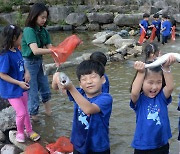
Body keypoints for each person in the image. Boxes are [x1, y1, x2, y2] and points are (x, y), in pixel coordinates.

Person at [52, 60, 113, 154]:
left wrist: (71, 87)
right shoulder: (79, 92)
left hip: (98, 146)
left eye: (93, 77)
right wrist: (57, 76)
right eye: (84, 79)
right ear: (80, 83)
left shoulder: (106, 98)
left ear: (103, 79)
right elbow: (55, 87)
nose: (89, 82)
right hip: (79, 144)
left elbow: (89, 109)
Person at [0, 25, 40, 142]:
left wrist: (27, 72)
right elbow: (2, 74)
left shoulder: (17, 50)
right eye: (20, 37)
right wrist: (18, 83)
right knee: (21, 112)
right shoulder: (5, 55)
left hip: (21, 87)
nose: (22, 40)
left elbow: (22, 64)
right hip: (11, 90)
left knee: (26, 110)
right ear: (13, 38)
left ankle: (29, 130)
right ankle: (20, 132)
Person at [130, 55, 176, 153]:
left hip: (162, 144)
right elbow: (134, 92)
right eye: (150, 82)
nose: (154, 87)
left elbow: (170, 87)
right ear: (142, 82)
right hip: (142, 146)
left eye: (159, 82)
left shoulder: (161, 97)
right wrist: (141, 73)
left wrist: (166, 68)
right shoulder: (139, 100)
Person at [21, 3, 53, 121]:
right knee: (32, 91)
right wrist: (52, 51)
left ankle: (49, 114)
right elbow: (35, 50)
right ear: (34, 16)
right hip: (28, 64)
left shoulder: (43, 31)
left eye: (46, 17)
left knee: (45, 87)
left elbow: (51, 47)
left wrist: (59, 55)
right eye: (42, 17)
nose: (44, 20)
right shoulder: (29, 30)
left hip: (39, 62)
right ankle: (34, 117)